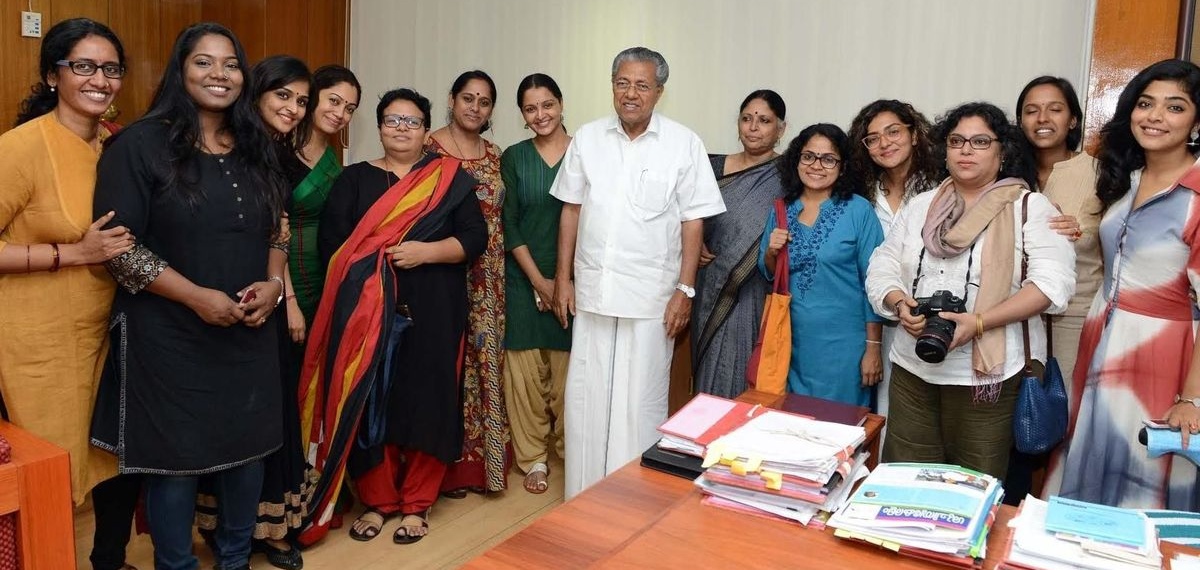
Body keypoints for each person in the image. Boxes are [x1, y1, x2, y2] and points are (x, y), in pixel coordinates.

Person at [90, 22, 288, 570]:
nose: (219, 74)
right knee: (175, 462)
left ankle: (234, 560)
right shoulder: (137, 144)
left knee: (248, 452)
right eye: (204, 62)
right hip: (167, 334)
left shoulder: (256, 146)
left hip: (248, 328)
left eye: (230, 64)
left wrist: (273, 284)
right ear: (180, 70)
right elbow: (119, 249)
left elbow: (278, 227)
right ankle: (175, 565)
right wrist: (198, 297)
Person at [308, 88, 486, 545]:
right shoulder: (354, 180)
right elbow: (335, 250)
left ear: (427, 130)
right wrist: (370, 271)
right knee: (372, 406)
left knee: (428, 404)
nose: (401, 129)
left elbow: (474, 238)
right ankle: (379, 501)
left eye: (411, 121)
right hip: (368, 318)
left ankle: (417, 504)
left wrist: (426, 252)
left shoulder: (450, 179)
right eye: (392, 120)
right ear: (379, 126)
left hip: (434, 312)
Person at [864, 102, 1075, 480]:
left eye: (979, 141)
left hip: (987, 378)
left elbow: (1050, 286)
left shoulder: (1030, 208)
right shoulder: (922, 206)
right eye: (957, 140)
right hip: (913, 368)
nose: (965, 150)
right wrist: (899, 303)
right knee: (904, 478)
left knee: (972, 482)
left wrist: (978, 322)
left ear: (1002, 151)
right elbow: (884, 264)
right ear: (944, 150)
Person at [551, 47, 725, 498]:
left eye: (642, 85)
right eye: (622, 83)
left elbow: (694, 220)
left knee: (639, 403)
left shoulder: (684, 143)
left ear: (659, 92)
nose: (631, 93)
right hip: (592, 292)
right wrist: (563, 279)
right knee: (585, 401)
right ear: (612, 86)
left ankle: (630, 500)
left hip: (652, 299)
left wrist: (685, 289)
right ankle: (581, 498)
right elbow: (571, 210)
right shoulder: (587, 138)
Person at [0, 18, 140, 570]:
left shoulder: (118, 146)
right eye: (83, 66)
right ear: (52, 75)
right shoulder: (21, 147)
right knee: (49, 470)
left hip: (112, 328)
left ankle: (108, 560)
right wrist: (70, 254)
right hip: (40, 340)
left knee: (115, 457)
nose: (99, 80)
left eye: (110, 69)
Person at [1056, 59, 1200, 509]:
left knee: (1144, 474)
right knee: (1092, 461)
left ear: (1197, 121)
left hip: (1164, 353)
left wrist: (1192, 400)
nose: (1155, 116)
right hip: (1102, 339)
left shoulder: (1197, 194)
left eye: (1175, 107)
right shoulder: (1126, 179)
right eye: (1145, 103)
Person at [195, 54, 311, 570]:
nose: (293, 107)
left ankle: (264, 529)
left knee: (268, 418)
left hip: (264, 297)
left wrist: (278, 291)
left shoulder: (273, 153)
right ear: (257, 93)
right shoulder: (225, 147)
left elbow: (277, 230)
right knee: (223, 420)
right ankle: (225, 531)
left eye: (300, 100)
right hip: (212, 300)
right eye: (283, 95)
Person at [1013, 76, 1101, 500]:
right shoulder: (1007, 172)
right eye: (1032, 110)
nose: (1042, 118)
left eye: (1054, 108)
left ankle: (1054, 513)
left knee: (1062, 420)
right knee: (1014, 422)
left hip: (1072, 317)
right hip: (1012, 316)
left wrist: (1081, 230)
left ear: (1073, 119)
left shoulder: (1099, 172)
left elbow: (1121, 239)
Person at [427, 70, 511, 495]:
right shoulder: (427, 147)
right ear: (452, 99)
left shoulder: (496, 156)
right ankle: (442, 466)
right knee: (446, 365)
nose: (475, 107)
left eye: (484, 101)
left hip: (490, 278)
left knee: (485, 366)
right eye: (467, 98)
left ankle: (485, 466)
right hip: (441, 272)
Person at [760, 123, 884, 406]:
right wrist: (772, 251)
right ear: (796, 161)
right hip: (791, 345)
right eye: (808, 156)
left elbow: (875, 285)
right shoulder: (781, 209)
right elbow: (768, 271)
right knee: (792, 430)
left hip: (845, 350)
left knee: (841, 434)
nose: (817, 165)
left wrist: (873, 348)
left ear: (842, 167)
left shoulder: (859, 211)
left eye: (828, 159)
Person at [500, 73, 572, 494]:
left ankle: (568, 448)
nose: (540, 115)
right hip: (522, 275)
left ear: (561, 104)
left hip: (575, 279)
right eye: (530, 108)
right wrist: (539, 282)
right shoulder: (514, 156)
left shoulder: (587, 151)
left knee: (567, 376)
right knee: (524, 374)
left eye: (547, 105)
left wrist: (564, 281)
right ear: (523, 115)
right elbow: (507, 223)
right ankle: (533, 459)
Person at [691, 89, 787, 399]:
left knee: (741, 365)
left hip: (752, 287)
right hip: (705, 285)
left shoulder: (788, 175)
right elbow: (685, 214)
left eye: (764, 120)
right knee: (704, 368)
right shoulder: (710, 166)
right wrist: (694, 243)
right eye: (747, 119)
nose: (753, 127)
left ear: (780, 128)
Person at [846, 100, 940, 417]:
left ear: (914, 135)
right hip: (869, 317)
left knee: (918, 413)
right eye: (873, 138)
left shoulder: (942, 187)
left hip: (924, 318)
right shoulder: (859, 192)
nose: (884, 143)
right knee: (878, 413)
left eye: (894, 131)